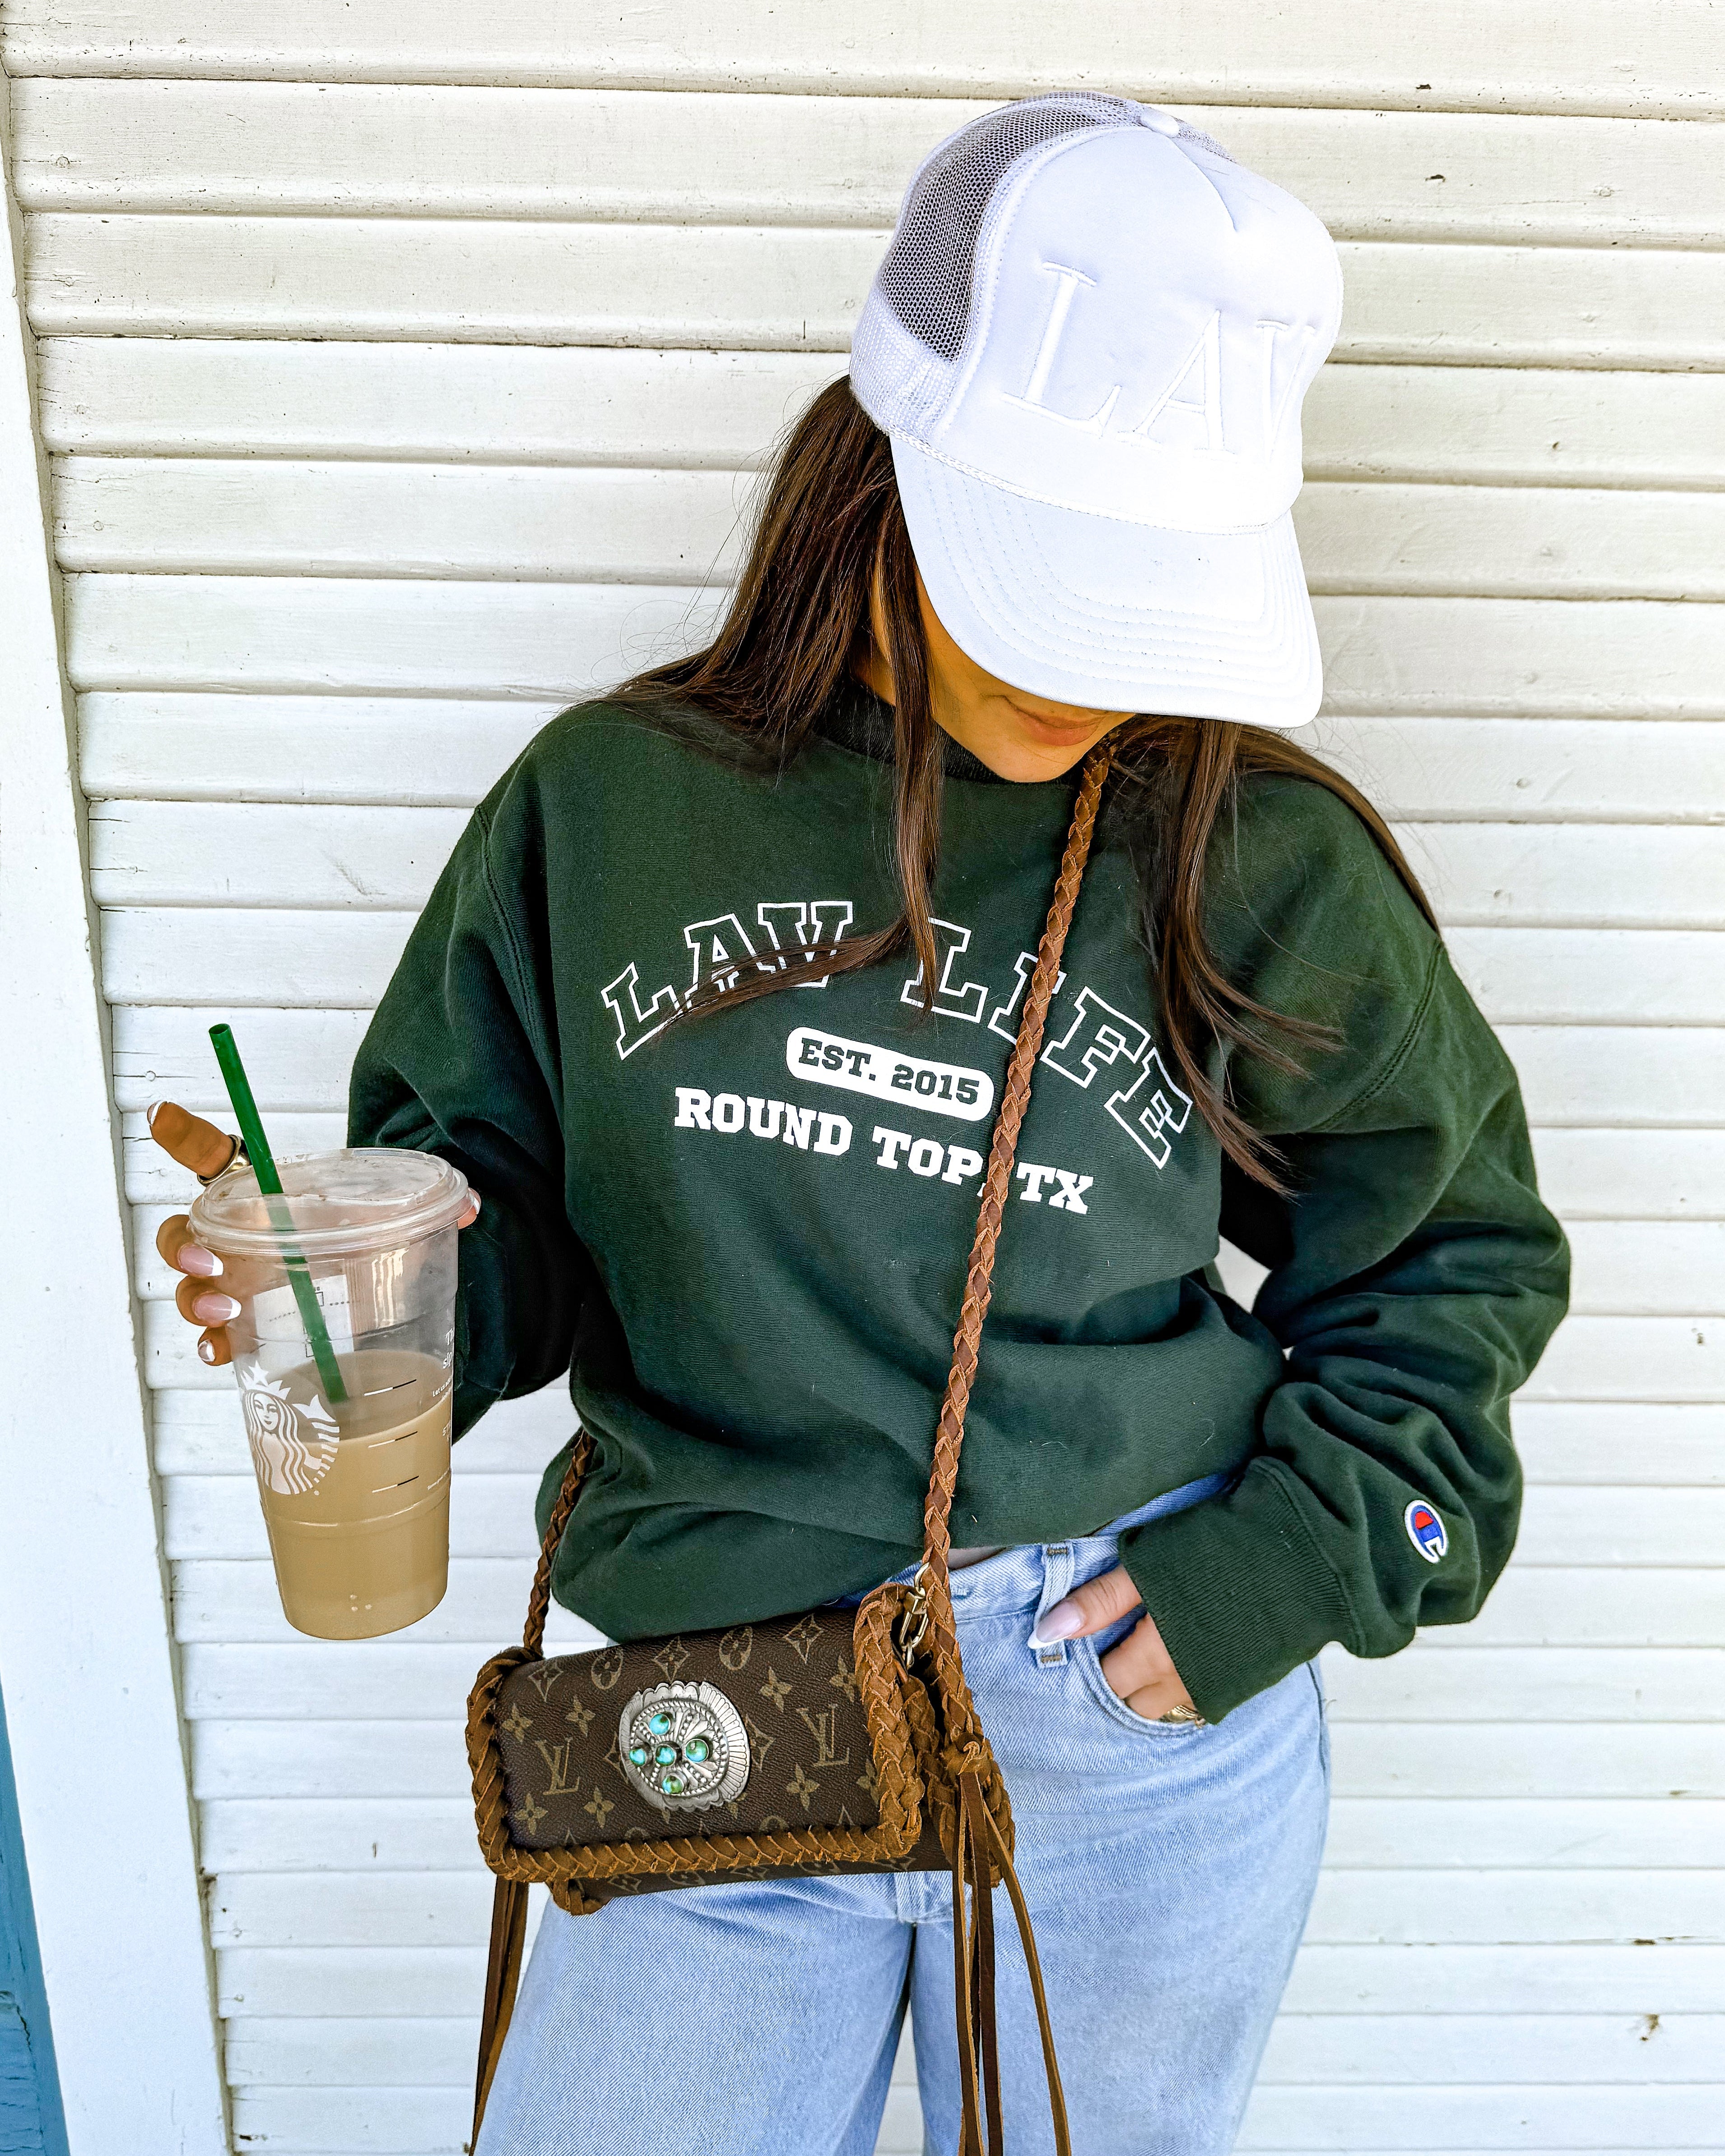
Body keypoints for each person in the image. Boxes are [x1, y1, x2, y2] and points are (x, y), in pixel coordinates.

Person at [153, 95, 1569, 2156]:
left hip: (1121, 1704)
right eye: (1066, 578)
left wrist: (1275, 1570)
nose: (1103, 670)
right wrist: (368, 1307)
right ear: (890, 459)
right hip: (715, 1697)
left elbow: (1453, 1257)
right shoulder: (607, 808)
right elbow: (504, 1215)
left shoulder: (1247, 860)